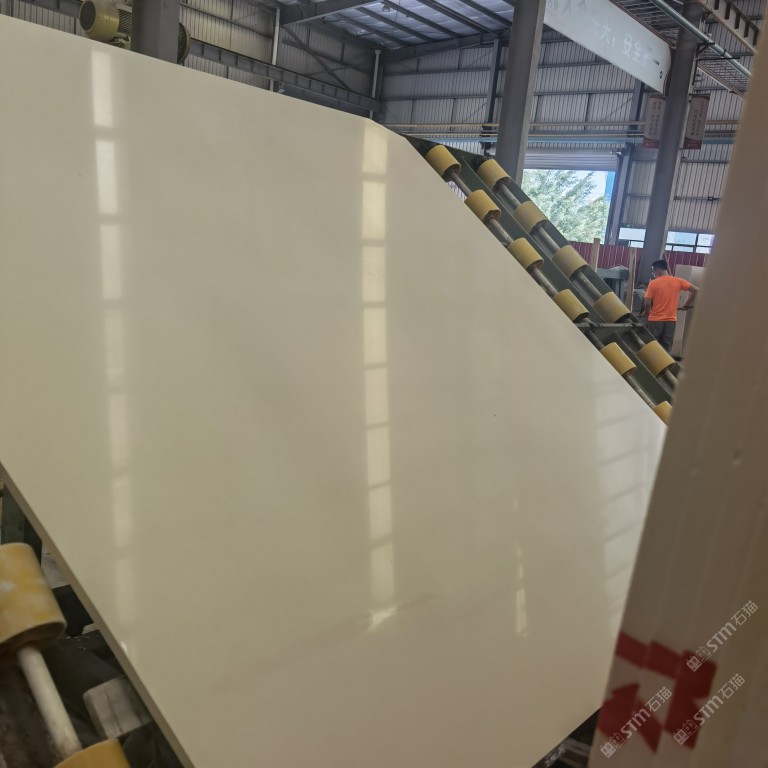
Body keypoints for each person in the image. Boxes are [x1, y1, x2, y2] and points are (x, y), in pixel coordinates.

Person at [643, 259, 699, 352]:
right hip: (670, 321)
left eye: (654, 270)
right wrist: (686, 304)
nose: (653, 273)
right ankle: (666, 361)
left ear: (659, 269)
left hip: (655, 320)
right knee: (667, 346)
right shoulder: (678, 281)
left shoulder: (653, 283)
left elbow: (647, 303)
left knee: (652, 345)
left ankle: (652, 361)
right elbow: (696, 290)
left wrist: (646, 313)